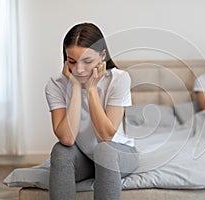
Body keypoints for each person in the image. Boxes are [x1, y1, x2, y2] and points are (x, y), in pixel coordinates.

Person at [45, 22, 138, 200]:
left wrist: (91, 89)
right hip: (86, 158)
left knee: (104, 150)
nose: (79, 70)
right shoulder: (56, 85)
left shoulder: (119, 79)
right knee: (61, 150)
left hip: (118, 155)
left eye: (87, 61)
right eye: (72, 61)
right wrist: (75, 87)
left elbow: (106, 137)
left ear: (102, 55)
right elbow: (67, 138)